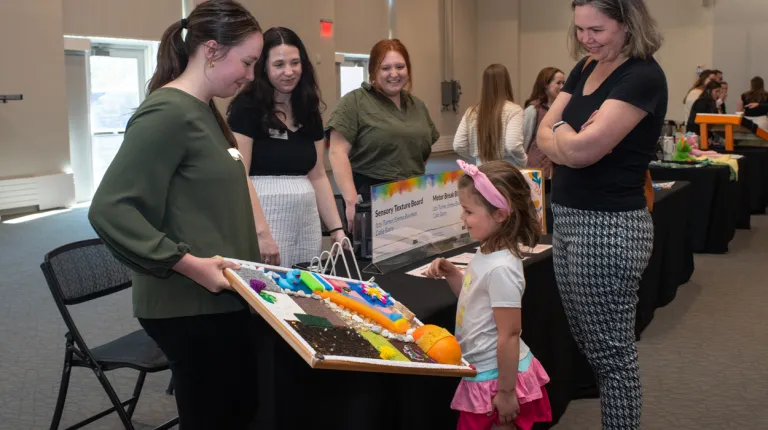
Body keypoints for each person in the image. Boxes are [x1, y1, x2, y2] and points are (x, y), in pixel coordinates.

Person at [87, 2, 264, 429]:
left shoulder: (203, 111)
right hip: (189, 305)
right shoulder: (167, 113)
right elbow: (110, 209)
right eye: (247, 61)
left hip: (220, 301)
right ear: (212, 50)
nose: (250, 75)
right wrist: (187, 264)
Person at [535, 0, 666, 428]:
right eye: (579, 29)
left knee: (613, 357)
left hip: (609, 226)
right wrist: (568, 138)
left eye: (597, 29)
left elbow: (584, 152)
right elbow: (547, 136)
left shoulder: (642, 75)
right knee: (593, 348)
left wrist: (570, 142)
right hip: (569, 218)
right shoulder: (585, 68)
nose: (586, 39)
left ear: (628, 24)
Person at [423, 160, 551, 430]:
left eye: (468, 211)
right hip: (484, 368)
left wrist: (505, 393)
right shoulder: (486, 251)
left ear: (500, 215)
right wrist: (453, 275)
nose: (462, 218)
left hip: (497, 377)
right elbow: (472, 302)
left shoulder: (502, 268)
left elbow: (509, 334)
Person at [227, 27, 346, 267]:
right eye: (279, 64)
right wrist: (261, 233)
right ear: (264, 68)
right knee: (272, 292)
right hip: (266, 215)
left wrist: (336, 229)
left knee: (308, 289)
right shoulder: (246, 109)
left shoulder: (309, 110)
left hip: (306, 216)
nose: (289, 72)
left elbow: (319, 175)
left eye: (295, 63)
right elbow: (240, 175)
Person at [327, 39, 439, 230]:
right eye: (385, 68)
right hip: (371, 198)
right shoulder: (355, 102)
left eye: (400, 67)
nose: (394, 74)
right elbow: (337, 153)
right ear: (373, 72)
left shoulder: (417, 106)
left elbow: (422, 151)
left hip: (414, 196)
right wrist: (352, 201)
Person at [453, 64, 526, 168]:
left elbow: (458, 145)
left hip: (481, 169)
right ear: (506, 82)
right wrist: (524, 161)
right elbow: (513, 145)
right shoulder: (514, 110)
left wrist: (477, 157)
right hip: (508, 170)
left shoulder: (471, 111)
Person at [522, 67, 565, 178]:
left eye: (564, 83)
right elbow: (524, 143)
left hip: (559, 171)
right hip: (537, 173)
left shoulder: (564, 109)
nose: (562, 87)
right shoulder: (533, 110)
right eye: (558, 83)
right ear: (546, 85)